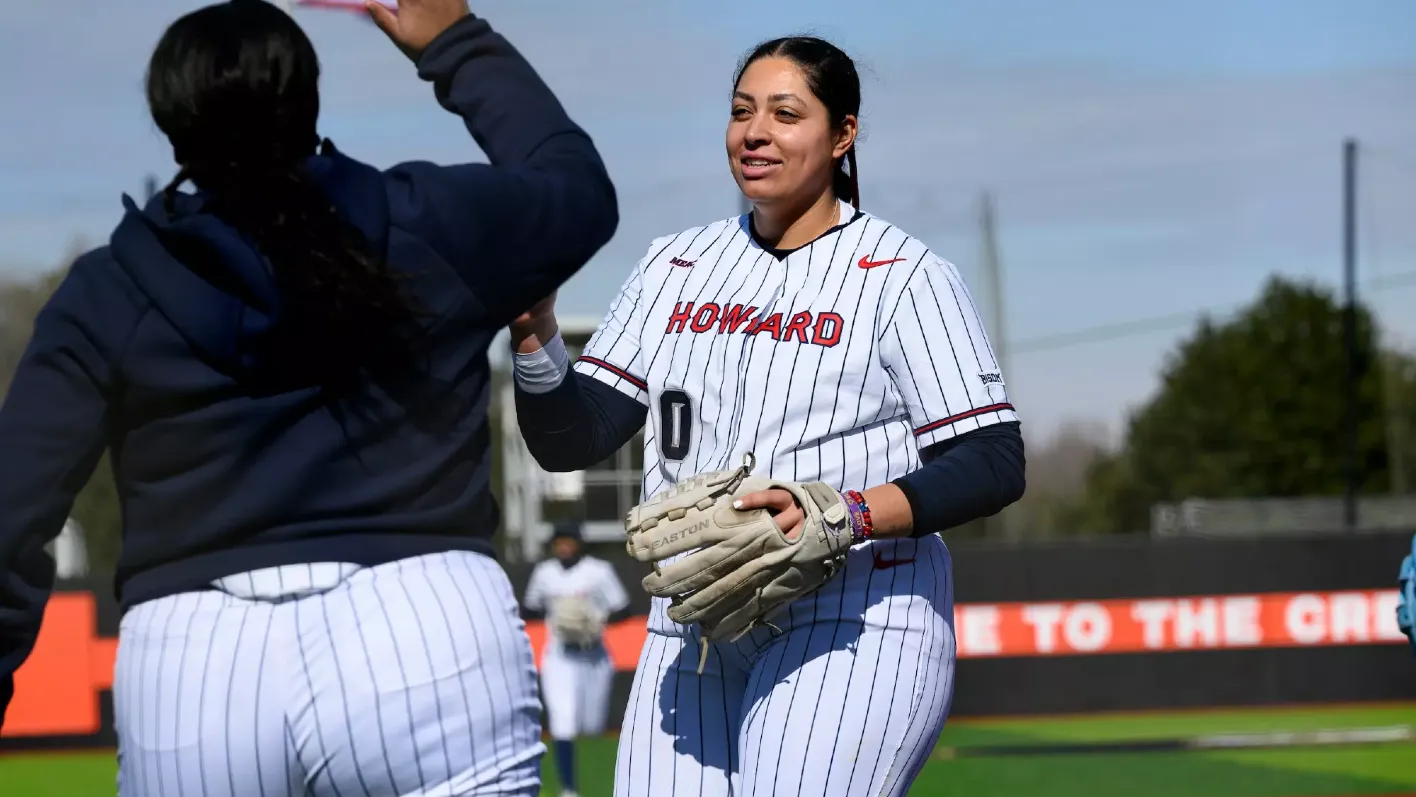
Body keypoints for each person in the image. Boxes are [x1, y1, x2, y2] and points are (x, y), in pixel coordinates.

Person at [0, 0, 617, 794]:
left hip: (194, 660)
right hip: (423, 624)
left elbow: (13, 516)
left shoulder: (109, 287)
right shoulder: (432, 221)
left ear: (170, 121)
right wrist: (458, 43)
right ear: (310, 97)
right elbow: (576, 189)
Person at [509, 35, 1026, 797]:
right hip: (695, 618)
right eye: (741, 111)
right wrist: (533, 333)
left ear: (842, 133)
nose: (755, 132)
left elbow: (992, 459)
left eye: (786, 113)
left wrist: (847, 513)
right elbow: (572, 436)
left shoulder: (904, 276)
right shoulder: (674, 266)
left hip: (854, 616)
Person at [521, 521, 632, 797]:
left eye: (568, 540)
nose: (564, 545)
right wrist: (559, 616)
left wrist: (596, 619)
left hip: (594, 655)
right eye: (559, 540)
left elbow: (623, 607)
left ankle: (605, 785)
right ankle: (568, 789)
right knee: (563, 722)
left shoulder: (598, 571)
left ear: (579, 542)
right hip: (559, 656)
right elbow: (531, 608)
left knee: (592, 727)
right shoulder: (545, 573)